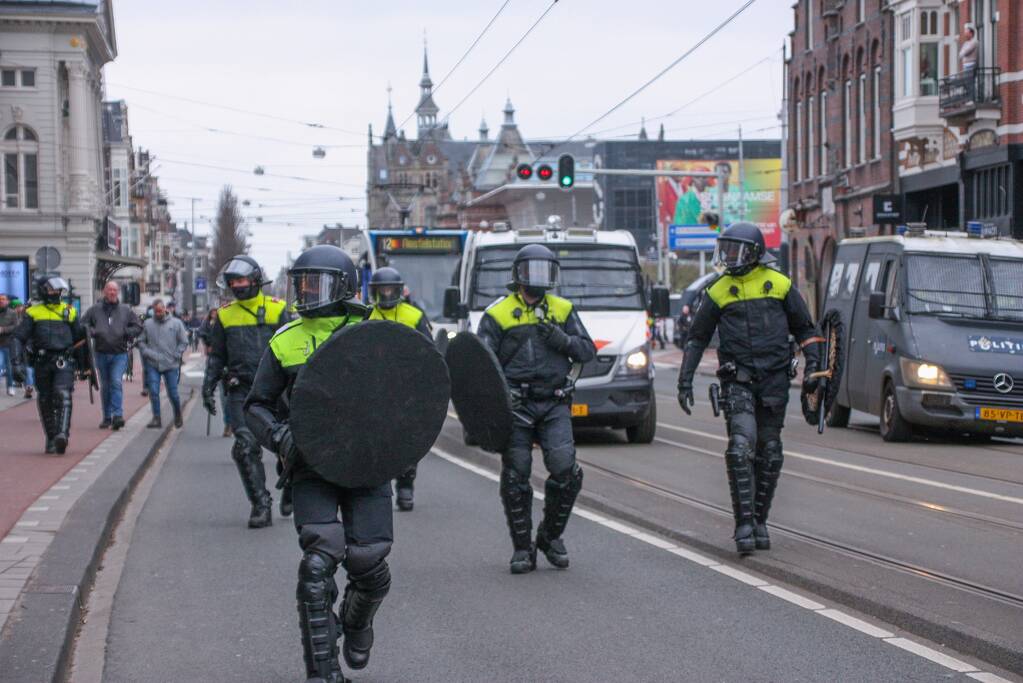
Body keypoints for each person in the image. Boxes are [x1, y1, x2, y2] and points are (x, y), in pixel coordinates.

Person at [245, 245, 393, 683]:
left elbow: (404, 395)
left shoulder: (374, 334)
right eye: (302, 283)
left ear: (343, 287)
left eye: (318, 283)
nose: (307, 291)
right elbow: (256, 406)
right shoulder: (285, 340)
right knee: (317, 563)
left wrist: (398, 444)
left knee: (369, 561)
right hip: (311, 465)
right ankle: (323, 672)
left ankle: (357, 621)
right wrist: (280, 436)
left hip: (366, 464)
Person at [676, 223, 822, 554]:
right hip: (737, 381)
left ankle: (759, 522)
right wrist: (685, 380)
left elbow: (806, 329)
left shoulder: (780, 285)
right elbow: (697, 337)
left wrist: (814, 366)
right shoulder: (718, 290)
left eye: (735, 250)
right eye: (725, 249)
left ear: (754, 253)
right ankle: (743, 525)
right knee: (741, 447)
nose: (728, 256)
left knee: (770, 452)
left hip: (775, 381)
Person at [477, 244, 596, 574]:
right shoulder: (497, 314)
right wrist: (498, 400)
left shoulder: (563, 309)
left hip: (554, 402)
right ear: (518, 275)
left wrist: (563, 340)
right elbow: (481, 365)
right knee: (516, 475)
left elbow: (587, 351)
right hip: (516, 405)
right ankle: (522, 548)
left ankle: (550, 537)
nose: (539, 277)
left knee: (565, 470)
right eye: (532, 270)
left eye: (546, 270)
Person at [202, 255, 290, 528]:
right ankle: (261, 504)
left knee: (290, 445)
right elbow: (217, 355)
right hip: (241, 390)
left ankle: (291, 486)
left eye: (241, 280)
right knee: (244, 447)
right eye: (233, 282)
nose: (237, 286)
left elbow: (292, 348)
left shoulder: (278, 309)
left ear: (255, 280)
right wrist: (208, 385)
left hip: (278, 391)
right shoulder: (225, 315)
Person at [367, 267, 431, 512]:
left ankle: (406, 486)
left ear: (398, 291)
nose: (386, 294)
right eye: (381, 290)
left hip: (405, 389)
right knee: (374, 440)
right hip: (373, 389)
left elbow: (428, 352)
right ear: (374, 291)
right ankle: (376, 489)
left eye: (390, 289)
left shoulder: (414, 316)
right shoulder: (365, 316)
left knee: (406, 441)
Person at [9, 276, 86, 454]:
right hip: (42, 361)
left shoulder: (69, 310)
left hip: (64, 361)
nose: (55, 293)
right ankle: (51, 438)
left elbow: (80, 339)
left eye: (58, 290)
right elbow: (17, 338)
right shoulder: (33, 312)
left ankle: (62, 435)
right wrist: (16, 364)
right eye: (52, 289)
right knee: (45, 399)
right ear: (43, 291)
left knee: (63, 393)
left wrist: (85, 366)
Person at [83, 281, 142, 430]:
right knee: (106, 385)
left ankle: (118, 415)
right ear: (104, 291)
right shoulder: (95, 310)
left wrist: (126, 333)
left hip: (119, 353)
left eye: (115, 290)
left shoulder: (125, 310)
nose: (112, 292)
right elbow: (82, 324)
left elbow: (138, 326)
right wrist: (93, 332)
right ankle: (107, 417)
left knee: (116, 381)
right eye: (109, 289)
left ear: (118, 292)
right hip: (101, 353)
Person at [137, 299, 188, 429]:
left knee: (173, 393)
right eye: (156, 311)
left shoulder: (176, 323)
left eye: (160, 311)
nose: (158, 313)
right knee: (153, 391)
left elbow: (183, 341)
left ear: (165, 309)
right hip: (153, 363)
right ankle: (156, 417)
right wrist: (146, 351)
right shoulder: (148, 324)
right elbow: (141, 341)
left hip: (170, 364)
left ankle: (177, 413)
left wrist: (177, 354)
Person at [0, 293, 18, 396]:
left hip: (7, 343)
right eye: (0, 299)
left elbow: (16, 327)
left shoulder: (12, 313)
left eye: (3, 299)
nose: (1, 301)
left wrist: (3, 329)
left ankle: (10, 386)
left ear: (7, 301)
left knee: (9, 367)